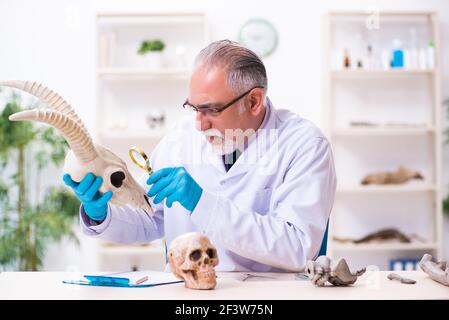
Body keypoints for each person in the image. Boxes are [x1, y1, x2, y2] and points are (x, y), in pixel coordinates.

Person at [63, 40, 337, 272]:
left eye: (211, 110)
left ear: (253, 101)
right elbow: (150, 216)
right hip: (188, 293)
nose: (199, 124)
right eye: (192, 107)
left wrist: (201, 202)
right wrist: (100, 212)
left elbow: (297, 247)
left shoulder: (305, 146)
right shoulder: (182, 137)